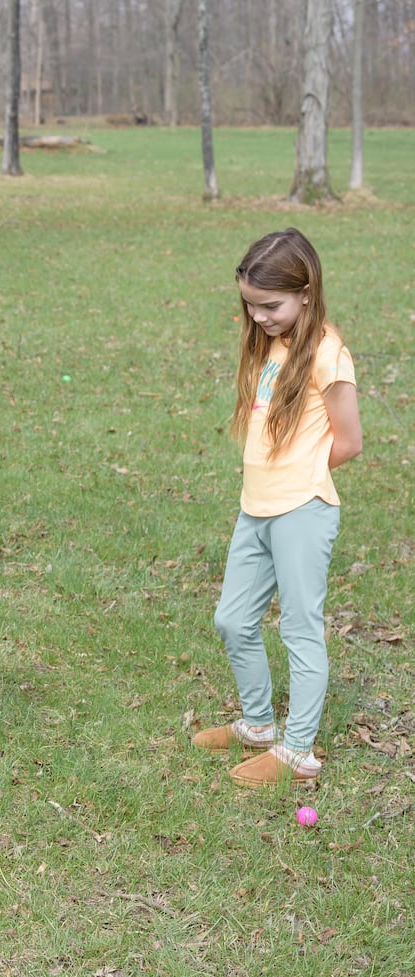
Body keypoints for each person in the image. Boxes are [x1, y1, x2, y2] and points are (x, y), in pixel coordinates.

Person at [192, 229, 362, 788]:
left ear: (306, 293)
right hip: (256, 509)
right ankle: (259, 725)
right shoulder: (275, 342)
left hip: (301, 512)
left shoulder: (328, 354)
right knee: (232, 619)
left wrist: (302, 476)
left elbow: (349, 441)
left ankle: (299, 753)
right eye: (250, 304)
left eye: (271, 305)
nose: (259, 316)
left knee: (300, 629)